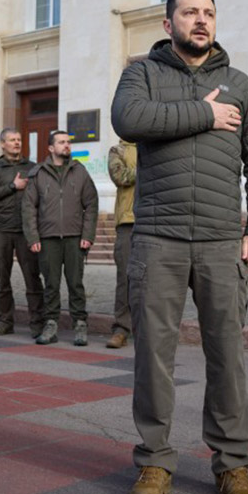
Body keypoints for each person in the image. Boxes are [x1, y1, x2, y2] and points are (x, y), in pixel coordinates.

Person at [111, 0, 248, 494]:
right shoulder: (141, 75)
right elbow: (129, 120)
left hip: (221, 240)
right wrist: (203, 114)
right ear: (169, 24)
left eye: (208, 12)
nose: (201, 20)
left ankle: (233, 464)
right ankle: (155, 461)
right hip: (156, 238)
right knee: (153, 358)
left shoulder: (240, 85)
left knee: (226, 356)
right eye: (189, 12)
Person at [22, 130, 99, 346]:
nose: (66, 145)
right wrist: (33, 237)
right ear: (50, 148)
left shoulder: (80, 171)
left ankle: (80, 325)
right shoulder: (38, 174)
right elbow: (28, 208)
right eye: (61, 142)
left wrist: (88, 235)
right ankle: (51, 325)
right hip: (48, 238)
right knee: (51, 285)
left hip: (75, 237)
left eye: (68, 142)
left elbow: (91, 204)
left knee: (76, 284)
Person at [0, 128, 44, 338]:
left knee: (33, 279)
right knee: (1, 280)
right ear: (2, 144)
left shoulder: (32, 168)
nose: (17, 143)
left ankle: (38, 323)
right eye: (12, 140)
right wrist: (12, 186)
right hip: (1, 230)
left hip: (26, 231)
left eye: (18, 139)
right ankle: (5, 321)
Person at [106, 138, 137, 349]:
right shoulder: (118, 150)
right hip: (128, 222)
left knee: (156, 279)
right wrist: (149, 169)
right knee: (125, 278)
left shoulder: (155, 145)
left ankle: (149, 328)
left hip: (155, 220)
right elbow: (120, 176)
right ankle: (121, 329)